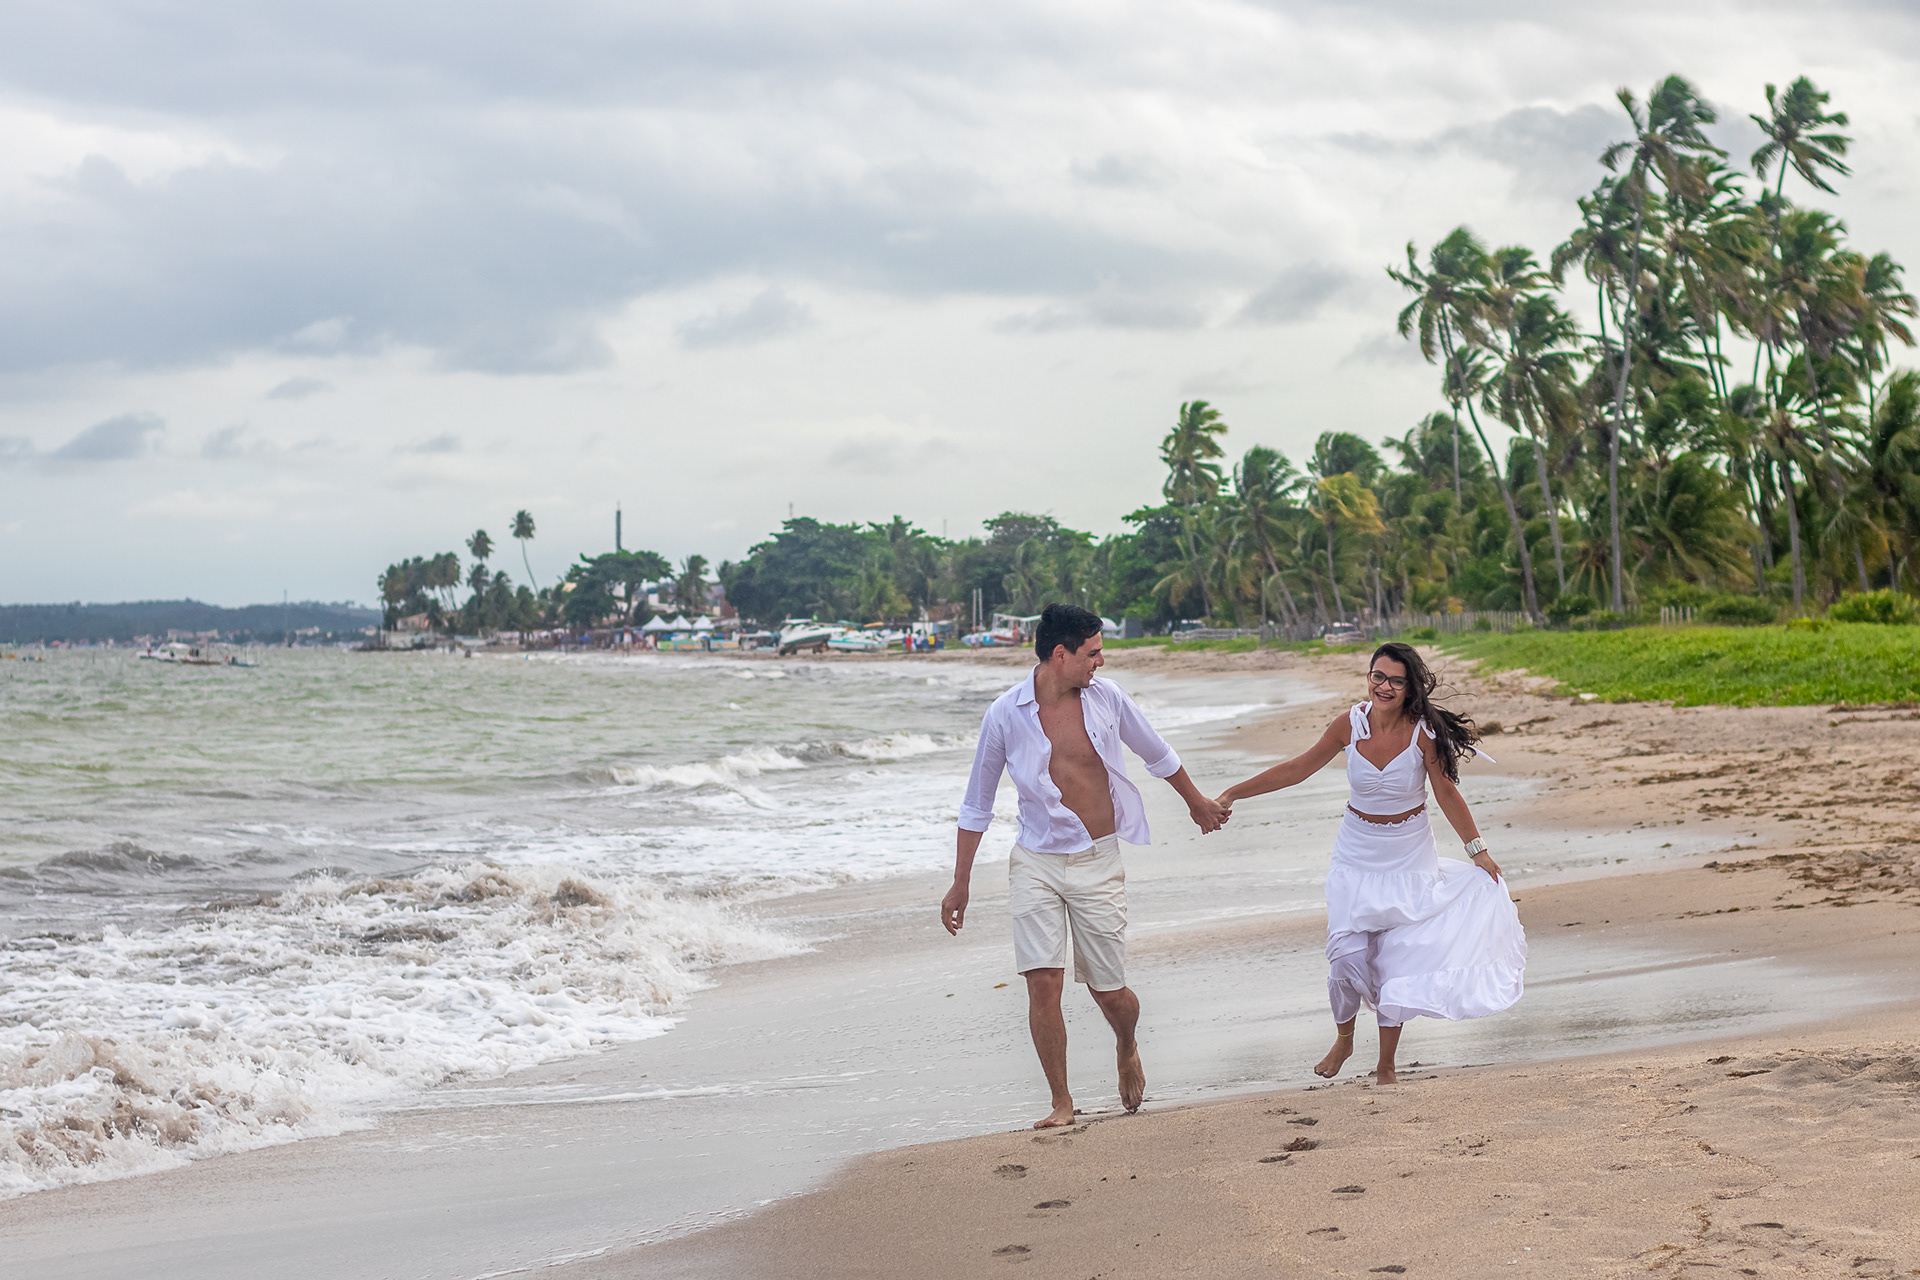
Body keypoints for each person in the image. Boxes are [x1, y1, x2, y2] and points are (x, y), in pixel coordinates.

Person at [942, 603, 1230, 1128]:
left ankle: (1126, 1044)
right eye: (1093, 652)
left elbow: (1157, 753)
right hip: (1036, 861)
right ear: (1061, 654)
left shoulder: (1107, 698)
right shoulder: (1004, 714)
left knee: (1110, 992)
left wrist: (1196, 802)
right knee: (1042, 981)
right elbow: (976, 803)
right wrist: (960, 883)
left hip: (1098, 860)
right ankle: (1062, 1102)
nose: (1101, 661)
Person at [1215, 641, 1525, 1084]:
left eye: (1396, 681)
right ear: (1368, 677)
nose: (1384, 686)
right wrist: (1233, 793)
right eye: (1378, 676)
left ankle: (1386, 1065)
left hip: (1408, 859)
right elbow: (1298, 768)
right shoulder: (1349, 724)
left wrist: (1479, 851)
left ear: (1409, 688)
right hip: (1355, 855)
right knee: (1346, 957)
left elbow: (1446, 793)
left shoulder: (1423, 733)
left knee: (1396, 962)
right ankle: (1344, 1038)